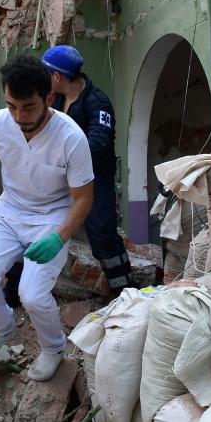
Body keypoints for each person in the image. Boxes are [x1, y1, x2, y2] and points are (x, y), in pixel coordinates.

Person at [0, 55, 94, 382]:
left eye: (27, 107)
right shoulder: (0, 121)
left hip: (52, 215)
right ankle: (2, 328)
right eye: (12, 106)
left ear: (49, 99)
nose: (18, 116)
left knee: (33, 294)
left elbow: (84, 199)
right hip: (10, 208)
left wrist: (60, 237)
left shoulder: (71, 137)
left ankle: (53, 348)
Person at [45, 44, 133, 294]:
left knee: (102, 235)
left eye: (46, 72)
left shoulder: (97, 102)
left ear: (57, 76)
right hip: (62, 175)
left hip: (96, 178)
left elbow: (98, 142)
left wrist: (65, 157)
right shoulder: (57, 99)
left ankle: (125, 291)